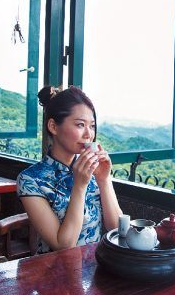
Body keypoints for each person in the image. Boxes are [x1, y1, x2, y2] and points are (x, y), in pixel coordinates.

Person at [17, 85, 123, 254]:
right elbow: (63, 246)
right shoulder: (30, 180)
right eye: (80, 125)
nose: (89, 134)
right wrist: (79, 186)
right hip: (53, 268)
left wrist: (104, 180)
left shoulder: (92, 170)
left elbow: (117, 229)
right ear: (53, 126)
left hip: (96, 264)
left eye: (92, 126)